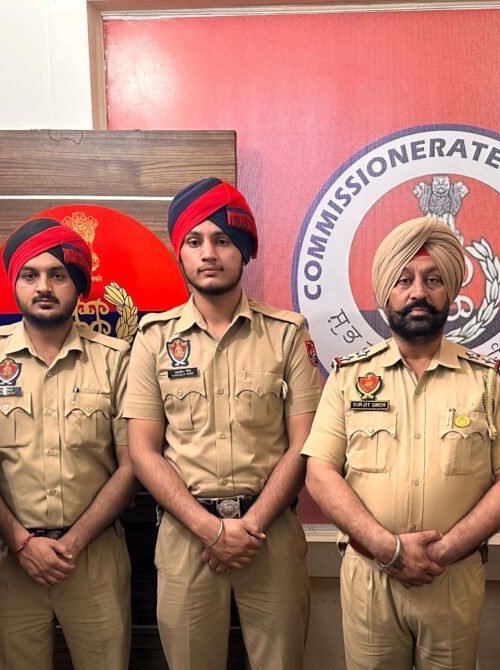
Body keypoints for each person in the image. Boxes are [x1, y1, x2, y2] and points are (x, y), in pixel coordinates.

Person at [302, 216, 500, 670]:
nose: (418, 293)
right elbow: (319, 473)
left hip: (452, 575)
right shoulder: (348, 378)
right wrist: (387, 548)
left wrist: (445, 551)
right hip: (370, 576)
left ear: (451, 293)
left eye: (433, 280)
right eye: (403, 280)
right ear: (385, 293)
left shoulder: (487, 380)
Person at [124, 178, 321, 669]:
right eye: (194, 241)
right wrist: (209, 529)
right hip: (186, 537)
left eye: (223, 240)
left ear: (244, 251)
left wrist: (249, 526)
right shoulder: (153, 338)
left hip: (270, 536)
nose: (208, 253)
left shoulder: (287, 334)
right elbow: (143, 451)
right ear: (179, 253)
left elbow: (305, 444)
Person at [0, 217, 136, 670]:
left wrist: (72, 542)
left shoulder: (115, 360)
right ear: (15, 284)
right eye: (30, 275)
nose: (44, 287)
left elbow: (132, 466)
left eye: (58, 275)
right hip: (8, 557)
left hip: (94, 556)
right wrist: (20, 542)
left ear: (79, 286)